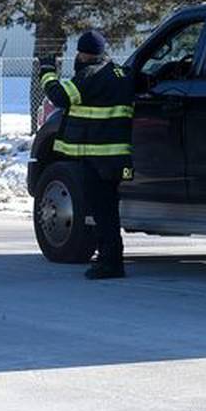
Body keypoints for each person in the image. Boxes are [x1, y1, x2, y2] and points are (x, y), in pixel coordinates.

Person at [39, 30, 135, 279]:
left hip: (97, 156)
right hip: (116, 155)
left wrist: (47, 72)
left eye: (79, 52)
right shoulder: (120, 73)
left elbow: (60, 96)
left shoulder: (89, 76)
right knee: (108, 210)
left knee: (102, 213)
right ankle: (112, 259)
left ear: (83, 53)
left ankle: (110, 263)